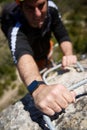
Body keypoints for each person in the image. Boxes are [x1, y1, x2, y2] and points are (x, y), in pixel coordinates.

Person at [1, 0, 77, 116]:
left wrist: (68, 54)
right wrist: (38, 89)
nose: (37, 14)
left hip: (46, 49)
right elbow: (21, 54)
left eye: (41, 5)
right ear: (21, 7)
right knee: (40, 72)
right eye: (30, 8)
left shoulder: (51, 9)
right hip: (33, 60)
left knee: (48, 64)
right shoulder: (15, 25)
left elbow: (62, 35)